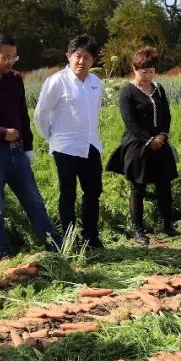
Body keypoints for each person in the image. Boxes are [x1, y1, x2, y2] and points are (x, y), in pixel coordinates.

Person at [0, 32, 61, 258]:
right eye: (7, 57)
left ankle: (55, 247)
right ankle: (2, 255)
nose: (11, 62)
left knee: (35, 202)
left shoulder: (15, 79)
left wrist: (27, 146)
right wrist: (1, 133)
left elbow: (22, 115)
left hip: (17, 154)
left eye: (14, 57)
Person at [35, 34, 106, 249]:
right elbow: (40, 114)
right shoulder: (56, 81)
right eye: (77, 56)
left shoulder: (96, 83)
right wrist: (52, 138)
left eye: (87, 57)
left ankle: (91, 236)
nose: (81, 61)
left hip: (91, 144)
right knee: (68, 194)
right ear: (68, 56)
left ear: (93, 60)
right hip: (65, 146)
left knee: (93, 192)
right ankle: (70, 239)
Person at [107, 46, 178, 245]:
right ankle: (139, 230)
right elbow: (130, 121)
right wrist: (148, 140)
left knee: (164, 184)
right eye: (143, 71)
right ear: (134, 69)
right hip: (137, 145)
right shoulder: (127, 92)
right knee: (138, 187)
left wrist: (162, 136)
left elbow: (166, 114)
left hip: (160, 143)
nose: (147, 75)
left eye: (151, 71)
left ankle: (167, 224)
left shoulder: (159, 89)